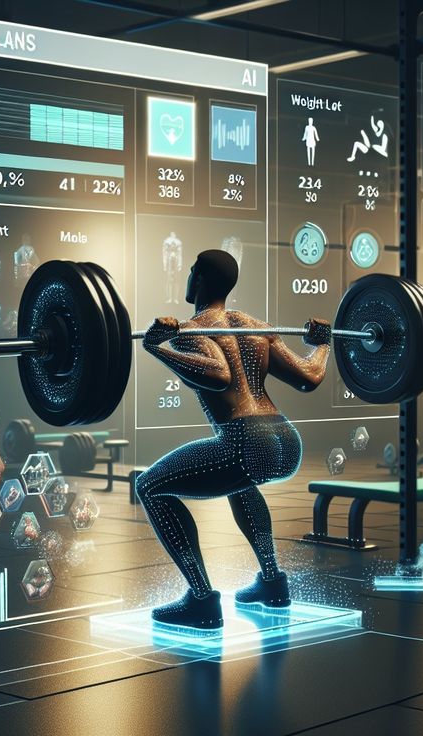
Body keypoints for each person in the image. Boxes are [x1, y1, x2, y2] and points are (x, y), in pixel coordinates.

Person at [136, 249, 330, 630]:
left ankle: (202, 600)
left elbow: (220, 376)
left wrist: (157, 347)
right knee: (238, 483)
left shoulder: (192, 329)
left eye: (192, 270)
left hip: (244, 441)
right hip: (285, 441)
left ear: (200, 279)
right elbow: (309, 376)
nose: (189, 277)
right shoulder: (252, 325)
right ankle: (273, 583)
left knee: (149, 486)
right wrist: (323, 343)